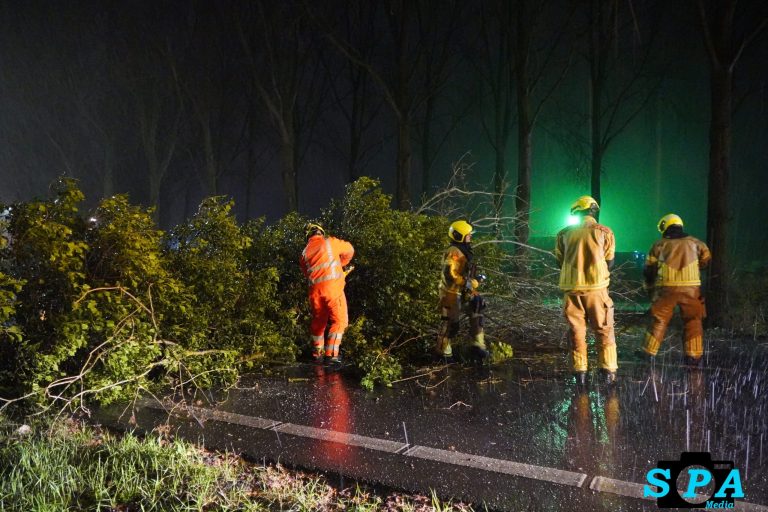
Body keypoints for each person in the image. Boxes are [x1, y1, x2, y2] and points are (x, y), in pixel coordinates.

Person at [554, 196, 618, 386]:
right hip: (597, 289)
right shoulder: (605, 232)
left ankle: (580, 374)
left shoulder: (563, 234)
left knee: (576, 331)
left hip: (572, 291)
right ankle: (608, 372)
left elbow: (559, 260)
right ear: (593, 211)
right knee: (604, 330)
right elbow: (610, 261)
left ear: (576, 211)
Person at [641, 214, 711, 366]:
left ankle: (648, 354)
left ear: (665, 226)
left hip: (666, 289)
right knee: (693, 321)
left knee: (659, 320)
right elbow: (706, 261)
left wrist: (650, 289)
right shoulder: (697, 243)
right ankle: (693, 357)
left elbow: (649, 270)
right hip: (692, 290)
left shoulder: (659, 245)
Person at [300, 223, 355, 364]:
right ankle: (331, 355)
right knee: (340, 321)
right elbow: (350, 249)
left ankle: (317, 353)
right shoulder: (330, 242)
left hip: (315, 294)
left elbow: (308, 273)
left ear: (308, 236)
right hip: (333, 290)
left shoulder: (304, 253)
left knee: (319, 322)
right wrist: (340, 263)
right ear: (321, 232)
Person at [435, 220, 489, 362]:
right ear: (460, 236)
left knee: (477, 308)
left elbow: (464, 272)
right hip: (450, 293)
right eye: (468, 235)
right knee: (450, 324)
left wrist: (474, 279)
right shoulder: (454, 252)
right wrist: (469, 282)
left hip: (463, 291)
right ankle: (444, 354)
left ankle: (477, 347)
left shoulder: (464, 250)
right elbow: (450, 274)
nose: (470, 237)